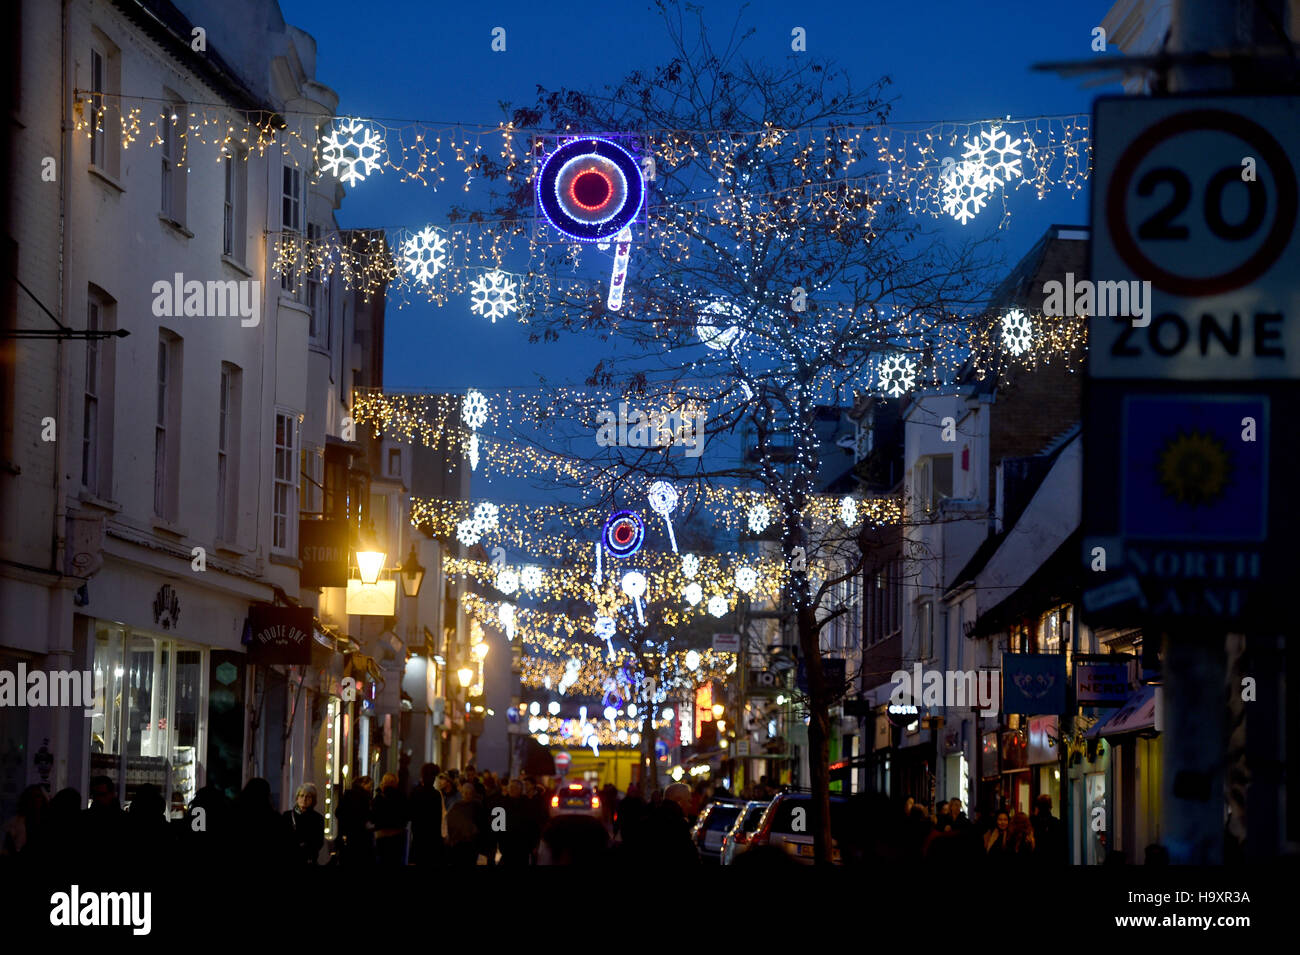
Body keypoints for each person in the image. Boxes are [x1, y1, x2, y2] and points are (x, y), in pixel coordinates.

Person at [407, 764, 444, 866]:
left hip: (418, 836)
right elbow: (438, 819)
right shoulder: (436, 795)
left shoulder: (415, 793)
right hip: (432, 838)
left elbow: (410, 814)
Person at [337, 776, 375, 866]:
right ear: (363, 784)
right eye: (369, 786)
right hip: (361, 835)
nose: (370, 789)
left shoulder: (347, 794)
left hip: (347, 834)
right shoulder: (364, 797)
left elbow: (338, 812)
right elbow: (367, 815)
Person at [372, 773, 409, 866]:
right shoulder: (401, 797)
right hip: (397, 834)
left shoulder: (379, 797)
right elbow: (406, 815)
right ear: (396, 783)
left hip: (381, 835)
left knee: (382, 861)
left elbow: (373, 816)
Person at [1, 784, 47, 857]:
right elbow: (6, 849)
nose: (36, 800)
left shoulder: (47, 821)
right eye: (32, 797)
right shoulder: (14, 822)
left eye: (38, 796)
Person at [445, 782, 485, 865]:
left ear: (473, 794)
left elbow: (481, 824)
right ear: (461, 793)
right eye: (465, 792)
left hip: (472, 844)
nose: (467, 795)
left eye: (469, 793)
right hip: (458, 843)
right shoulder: (456, 806)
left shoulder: (477, 806)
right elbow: (450, 822)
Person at [285, 783, 325, 865]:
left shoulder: (317, 818)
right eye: (301, 795)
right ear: (297, 798)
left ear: (313, 800)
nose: (304, 799)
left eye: (308, 796)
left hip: (308, 861)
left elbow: (318, 842)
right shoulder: (287, 816)